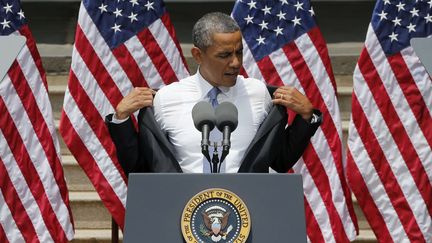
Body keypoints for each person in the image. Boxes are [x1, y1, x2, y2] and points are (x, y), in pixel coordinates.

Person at [106, 12, 322, 174]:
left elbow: (280, 160)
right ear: (198, 55)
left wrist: (306, 117)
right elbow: (140, 169)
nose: (235, 62)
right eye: (224, 55)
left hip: (247, 211)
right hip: (182, 212)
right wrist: (121, 119)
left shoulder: (260, 95)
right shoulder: (166, 99)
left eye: (239, 52)